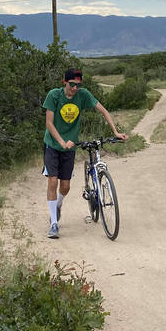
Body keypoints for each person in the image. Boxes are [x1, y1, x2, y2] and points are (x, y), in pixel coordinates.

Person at [42, 68, 127, 238]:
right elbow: (49, 124)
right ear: (64, 82)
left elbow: (103, 110)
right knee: (52, 180)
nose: (74, 88)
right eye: (72, 84)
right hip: (53, 144)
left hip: (70, 147)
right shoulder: (54, 95)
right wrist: (61, 142)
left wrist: (116, 132)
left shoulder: (83, 95)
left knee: (65, 186)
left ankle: (58, 205)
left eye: (78, 85)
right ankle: (53, 223)